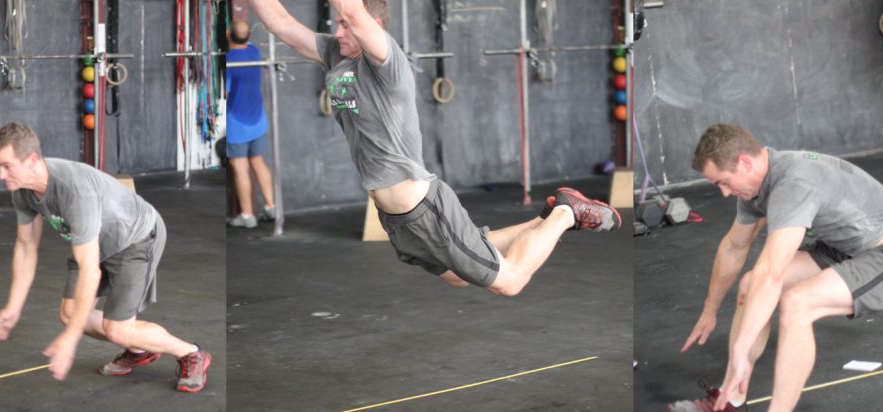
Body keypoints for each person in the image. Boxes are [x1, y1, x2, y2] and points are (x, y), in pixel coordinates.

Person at [247, 0, 621, 296]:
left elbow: (351, 10)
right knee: (459, 276)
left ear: (372, 28)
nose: (337, 29)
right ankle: (545, 220)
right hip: (396, 218)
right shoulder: (337, 56)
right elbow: (281, 24)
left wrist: (350, 16)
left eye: (344, 25)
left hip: (423, 206)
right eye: (337, 25)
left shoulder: (385, 62)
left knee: (510, 282)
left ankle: (566, 213)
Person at [668, 124, 883, 411]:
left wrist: (741, 348)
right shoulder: (757, 186)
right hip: (841, 249)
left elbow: (773, 273)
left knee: (797, 303)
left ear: (745, 162)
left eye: (724, 182)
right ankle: (731, 402)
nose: (724, 193)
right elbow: (734, 247)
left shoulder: (794, 183)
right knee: (749, 286)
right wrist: (710, 308)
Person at [0, 123, 212, 392]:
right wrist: (13, 307)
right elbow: (25, 247)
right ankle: (139, 350)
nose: (1, 175)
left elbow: (90, 270)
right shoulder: (23, 189)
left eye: (7, 166)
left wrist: (69, 341)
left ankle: (190, 352)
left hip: (134, 238)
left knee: (117, 330)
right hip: (95, 241)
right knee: (70, 315)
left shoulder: (73, 190)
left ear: (32, 159)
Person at [226, 20, 277, 228]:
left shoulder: (229, 61)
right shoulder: (254, 51)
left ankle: (247, 216)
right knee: (258, 162)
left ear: (229, 34)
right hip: (257, 119)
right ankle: (271, 207)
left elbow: (226, 91)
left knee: (240, 166)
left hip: (237, 121)